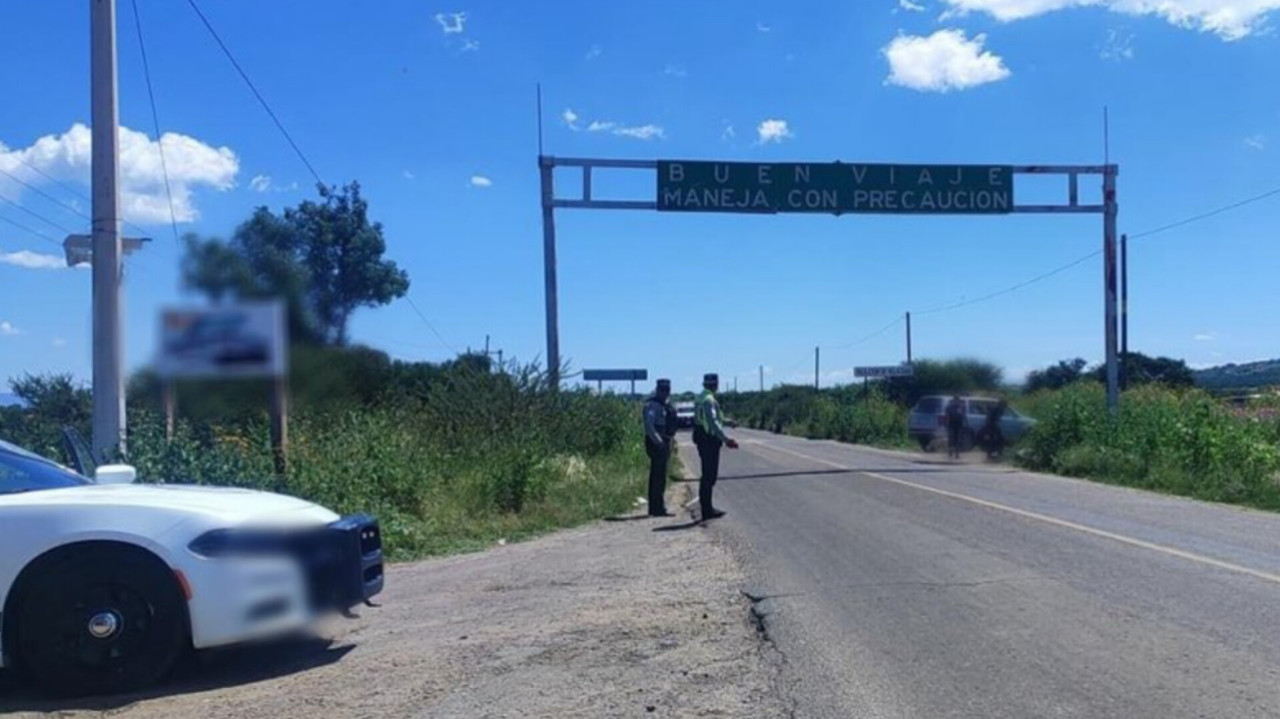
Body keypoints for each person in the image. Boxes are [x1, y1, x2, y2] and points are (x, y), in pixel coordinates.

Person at [693, 373, 738, 521]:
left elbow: (709, 418)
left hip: (701, 436)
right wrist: (726, 439)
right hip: (708, 439)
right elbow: (712, 422)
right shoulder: (709, 399)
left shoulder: (700, 397)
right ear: (715, 384)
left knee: (707, 474)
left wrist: (726, 421)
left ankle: (706, 508)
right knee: (709, 476)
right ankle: (707, 510)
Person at [643, 379, 675, 517]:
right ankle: (656, 508)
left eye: (667, 390)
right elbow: (649, 426)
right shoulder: (652, 405)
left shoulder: (665, 405)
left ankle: (658, 506)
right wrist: (658, 442)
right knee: (657, 476)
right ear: (657, 390)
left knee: (661, 476)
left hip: (664, 442)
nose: (665, 392)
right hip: (657, 444)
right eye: (662, 390)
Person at [945, 395, 966, 460]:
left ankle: (957, 454)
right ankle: (950, 452)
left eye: (957, 401)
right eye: (955, 401)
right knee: (951, 439)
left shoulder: (961, 407)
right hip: (951, 425)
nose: (956, 402)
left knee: (957, 439)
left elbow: (963, 416)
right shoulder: (949, 407)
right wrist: (947, 424)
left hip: (959, 425)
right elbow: (947, 416)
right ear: (953, 401)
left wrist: (965, 424)